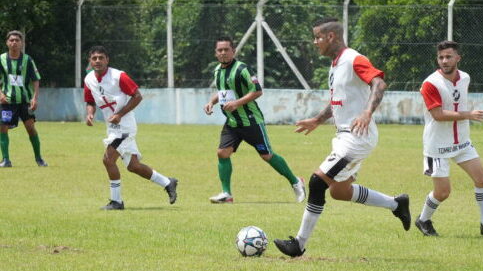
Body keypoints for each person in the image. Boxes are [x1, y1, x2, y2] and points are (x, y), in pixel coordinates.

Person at [274, 18, 411, 257]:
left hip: (356, 137)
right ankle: (396, 204)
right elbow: (339, 100)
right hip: (345, 136)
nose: (314, 42)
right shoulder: (336, 65)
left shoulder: (353, 58)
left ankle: (299, 244)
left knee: (317, 183)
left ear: (331, 37)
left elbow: (379, 83)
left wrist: (367, 112)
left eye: (317, 37)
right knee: (339, 191)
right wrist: (318, 119)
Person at [415, 40, 483, 236]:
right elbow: (438, 115)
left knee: (482, 179)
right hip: (437, 145)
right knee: (443, 193)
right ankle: (423, 220)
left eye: (449, 56)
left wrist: (465, 117)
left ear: (458, 58)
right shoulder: (430, 83)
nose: (444, 61)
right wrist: (468, 115)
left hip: (462, 142)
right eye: (441, 57)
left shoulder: (465, 77)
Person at [203, 36, 305, 204]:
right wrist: (211, 102)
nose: (223, 53)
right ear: (215, 53)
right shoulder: (217, 71)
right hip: (233, 123)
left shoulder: (242, 69)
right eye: (219, 50)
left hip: (251, 121)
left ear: (233, 51)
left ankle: (296, 182)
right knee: (222, 153)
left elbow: (257, 91)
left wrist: (237, 103)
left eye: (226, 50)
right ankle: (226, 194)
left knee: (267, 155)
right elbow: (223, 91)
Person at [84, 46, 178, 210]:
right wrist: (90, 114)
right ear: (90, 61)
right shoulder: (89, 79)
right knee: (133, 166)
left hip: (125, 126)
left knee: (108, 159)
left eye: (101, 57)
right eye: (94, 58)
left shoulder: (119, 76)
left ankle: (116, 202)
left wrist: (120, 114)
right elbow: (90, 101)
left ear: (107, 60)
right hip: (112, 127)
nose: (97, 61)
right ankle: (167, 182)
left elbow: (137, 96)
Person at [0, 30, 47, 167]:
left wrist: (34, 98)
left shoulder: (28, 60)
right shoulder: (1, 59)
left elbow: (36, 80)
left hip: (25, 102)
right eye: (11, 40)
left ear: (22, 43)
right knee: (3, 127)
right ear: (7, 42)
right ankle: (6, 160)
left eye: (17, 40)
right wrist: (1, 94)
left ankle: (39, 159)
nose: (14, 42)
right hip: (7, 102)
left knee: (30, 128)